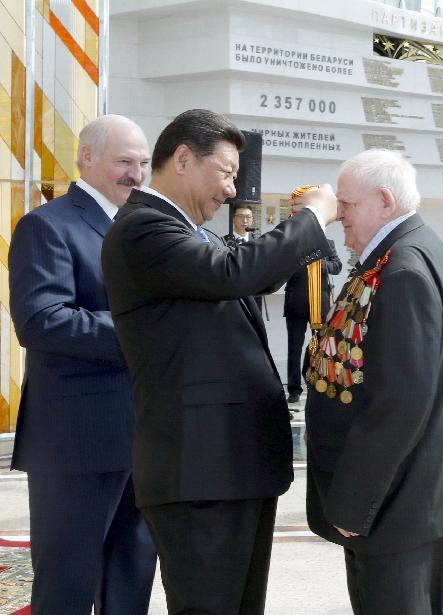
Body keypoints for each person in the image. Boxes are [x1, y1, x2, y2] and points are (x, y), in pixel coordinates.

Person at [101, 109, 336, 612]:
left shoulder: (187, 232)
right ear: (184, 159)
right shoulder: (144, 228)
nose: (231, 190)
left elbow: (250, 276)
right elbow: (232, 272)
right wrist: (309, 218)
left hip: (229, 467)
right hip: (198, 473)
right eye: (227, 173)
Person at [304, 149, 443, 615]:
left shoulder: (402, 269)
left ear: (383, 200)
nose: (339, 214)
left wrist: (353, 504)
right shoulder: (404, 250)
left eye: (346, 204)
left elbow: (400, 401)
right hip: (403, 500)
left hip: (396, 506)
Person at [8, 114, 157, 613]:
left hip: (143, 439)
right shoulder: (46, 225)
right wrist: (146, 331)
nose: (135, 174)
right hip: (75, 442)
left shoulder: (139, 227)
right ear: (86, 158)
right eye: (123, 161)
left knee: (131, 581)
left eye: (141, 163)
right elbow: (42, 321)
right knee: (67, 587)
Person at [284, 186, 343, 404]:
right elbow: (281, 270)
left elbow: (337, 265)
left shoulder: (327, 244)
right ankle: (294, 389)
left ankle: (313, 379)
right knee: (294, 346)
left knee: (317, 345)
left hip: (321, 304)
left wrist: (320, 264)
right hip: (296, 303)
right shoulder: (291, 244)